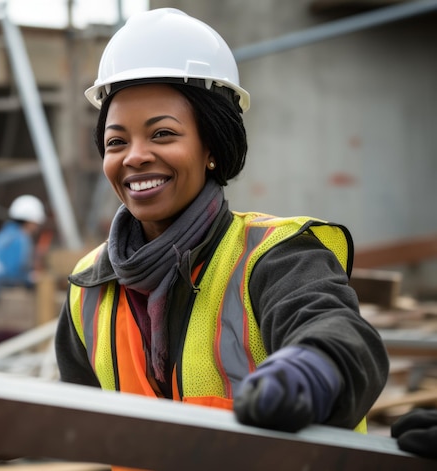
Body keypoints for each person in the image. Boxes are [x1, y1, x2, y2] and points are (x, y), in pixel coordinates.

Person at [54, 7, 390, 443]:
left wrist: (308, 371)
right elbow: (73, 416)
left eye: (162, 134)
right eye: (116, 141)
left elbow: (343, 337)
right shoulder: (90, 286)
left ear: (211, 145)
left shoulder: (277, 255)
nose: (134, 156)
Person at [0, 195, 45, 308]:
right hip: (5, 284)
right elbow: (15, 271)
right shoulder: (21, 238)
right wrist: (31, 278)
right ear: (29, 221)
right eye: (36, 223)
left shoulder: (2, 234)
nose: (36, 227)